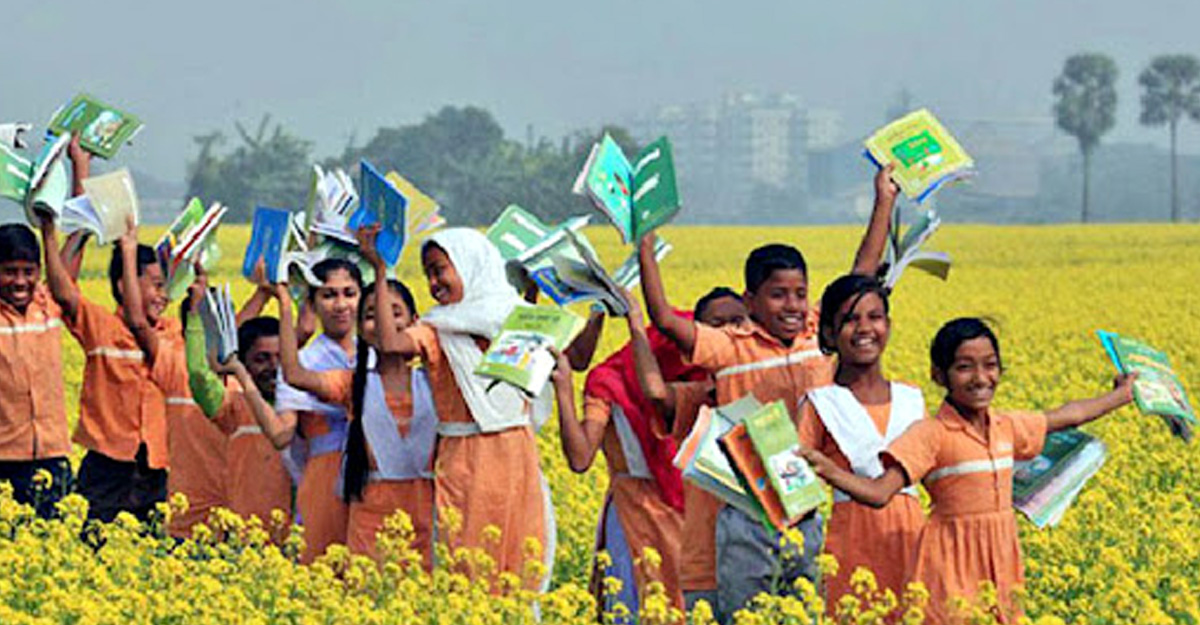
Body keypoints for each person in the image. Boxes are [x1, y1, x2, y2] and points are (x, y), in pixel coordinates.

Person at [637, 166, 898, 621]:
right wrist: (645, 244)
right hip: (749, 512)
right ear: (750, 300)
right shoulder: (731, 347)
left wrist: (884, 202)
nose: (793, 306)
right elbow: (664, 319)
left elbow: (862, 275)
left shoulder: (818, 334)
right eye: (779, 295)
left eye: (800, 293)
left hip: (807, 509)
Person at [800, 317, 1136, 624]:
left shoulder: (1007, 426)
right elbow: (879, 493)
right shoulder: (930, 433)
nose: (980, 378)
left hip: (1002, 563)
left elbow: (1069, 415)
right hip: (949, 566)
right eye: (964, 367)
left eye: (990, 366)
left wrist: (1122, 394)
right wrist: (831, 471)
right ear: (939, 375)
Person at [384, 228, 555, 589]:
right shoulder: (436, 329)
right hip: (465, 462)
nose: (433, 282)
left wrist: (601, 303)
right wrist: (380, 269)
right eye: (428, 273)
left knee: (523, 560)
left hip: (517, 458)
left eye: (440, 270)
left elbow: (574, 358)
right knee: (467, 565)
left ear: (471, 265)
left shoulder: (517, 318)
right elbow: (390, 343)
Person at [266, 227, 436, 566]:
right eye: (371, 316)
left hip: (425, 508)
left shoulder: (435, 378)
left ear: (415, 322)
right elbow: (295, 373)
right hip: (370, 509)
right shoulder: (353, 382)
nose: (383, 325)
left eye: (394, 314)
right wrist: (285, 304)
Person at [552, 293, 707, 616]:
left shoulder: (700, 382)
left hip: (690, 512)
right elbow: (580, 458)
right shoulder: (610, 382)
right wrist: (563, 390)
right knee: (634, 603)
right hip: (633, 518)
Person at [795, 274, 926, 608]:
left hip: (914, 540)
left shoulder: (912, 399)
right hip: (852, 542)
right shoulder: (820, 403)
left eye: (875, 317)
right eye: (850, 320)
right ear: (829, 333)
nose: (865, 328)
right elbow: (793, 484)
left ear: (888, 325)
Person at [40, 214, 175, 522]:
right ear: (123, 283)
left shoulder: (171, 333)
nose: (163, 296)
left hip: (156, 465)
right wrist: (53, 232)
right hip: (107, 463)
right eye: (156, 285)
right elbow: (62, 292)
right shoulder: (101, 326)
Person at [183, 264, 291, 530]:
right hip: (244, 537)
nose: (273, 367)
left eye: (280, 357)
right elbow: (199, 374)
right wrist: (195, 314)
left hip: (298, 541)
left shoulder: (305, 406)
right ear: (242, 363)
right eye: (261, 359)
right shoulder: (233, 408)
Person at [269, 258, 362, 562]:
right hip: (325, 475)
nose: (340, 305)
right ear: (312, 303)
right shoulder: (303, 362)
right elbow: (284, 432)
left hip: (376, 473)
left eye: (349, 293)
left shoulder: (378, 355)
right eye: (329, 295)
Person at [0, 224, 71, 517]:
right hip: (4, 459)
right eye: (9, 271)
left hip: (53, 456)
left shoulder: (47, 306)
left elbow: (65, 269)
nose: (20, 281)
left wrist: (50, 228)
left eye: (28, 272)